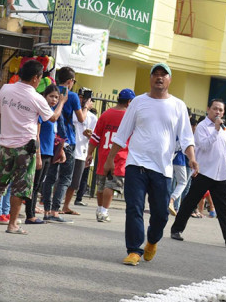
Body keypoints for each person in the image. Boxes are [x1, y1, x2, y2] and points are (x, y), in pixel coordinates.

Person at [103, 63, 196, 266]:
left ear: (170, 80)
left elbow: (187, 137)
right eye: (156, 74)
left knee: (161, 213)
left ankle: (152, 241)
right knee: (134, 207)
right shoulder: (138, 102)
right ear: (151, 78)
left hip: (163, 168)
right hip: (136, 164)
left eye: (164, 75)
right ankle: (134, 250)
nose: (159, 78)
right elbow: (122, 133)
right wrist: (110, 159)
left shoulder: (178, 106)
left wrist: (192, 158)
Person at [0, 60, 66, 233]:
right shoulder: (36, 97)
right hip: (25, 148)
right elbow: (52, 118)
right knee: (20, 187)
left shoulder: (6, 88)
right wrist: (61, 103)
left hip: (5, 144)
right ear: (36, 78)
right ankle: (12, 224)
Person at [170, 99, 226, 247]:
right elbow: (204, 146)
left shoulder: (225, 129)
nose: (217, 112)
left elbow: (222, 151)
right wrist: (216, 130)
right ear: (208, 109)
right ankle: (176, 229)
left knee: (222, 208)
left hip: (220, 174)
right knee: (190, 202)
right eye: (215, 109)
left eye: (220, 110)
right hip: (204, 171)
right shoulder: (202, 127)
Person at [40, 67, 84, 224]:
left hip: (52, 138)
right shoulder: (71, 96)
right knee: (65, 177)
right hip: (67, 139)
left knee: (50, 176)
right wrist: (86, 107)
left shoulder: (51, 91)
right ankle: (55, 211)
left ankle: (46, 210)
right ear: (70, 81)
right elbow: (81, 119)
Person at [87, 89, 134, 223]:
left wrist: (89, 153)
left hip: (103, 154)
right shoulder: (128, 117)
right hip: (119, 156)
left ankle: (100, 208)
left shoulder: (106, 114)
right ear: (129, 102)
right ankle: (104, 211)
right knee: (111, 185)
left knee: (101, 185)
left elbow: (95, 136)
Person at [24, 85, 60, 225]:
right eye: (51, 96)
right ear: (45, 96)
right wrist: (38, 154)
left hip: (49, 152)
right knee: (34, 184)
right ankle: (30, 214)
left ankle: (32, 213)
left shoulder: (50, 111)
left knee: (39, 186)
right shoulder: (42, 112)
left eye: (56, 97)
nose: (54, 99)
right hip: (41, 152)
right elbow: (37, 134)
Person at [62, 89, 97, 216]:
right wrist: (85, 108)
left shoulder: (93, 117)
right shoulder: (73, 112)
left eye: (86, 99)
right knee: (62, 179)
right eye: (81, 97)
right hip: (69, 148)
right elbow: (79, 119)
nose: (83, 100)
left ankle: (66, 206)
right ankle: (54, 203)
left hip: (81, 151)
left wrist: (90, 135)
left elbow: (94, 135)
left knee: (74, 182)